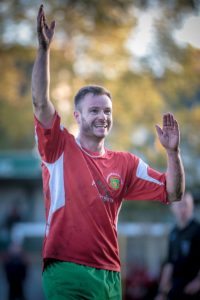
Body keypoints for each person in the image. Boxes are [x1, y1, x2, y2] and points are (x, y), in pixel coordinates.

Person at [31, 5, 185, 300]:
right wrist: (43, 50)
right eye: (94, 111)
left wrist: (173, 153)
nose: (102, 116)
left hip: (110, 276)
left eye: (107, 111)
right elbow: (40, 103)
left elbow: (173, 192)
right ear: (76, 115)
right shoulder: (58, 147)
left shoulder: (126, 164)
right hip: (65, 269)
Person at [155, 192, 200, 300]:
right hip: (177, 288)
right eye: (180, 205)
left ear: (192, 207)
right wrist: (161, 292)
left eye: (186, 205)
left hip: (193, 289)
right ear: (172, 208)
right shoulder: (173, 233)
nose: (183, 209)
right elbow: (169, 263)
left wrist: (198, 282)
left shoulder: (197, 230)